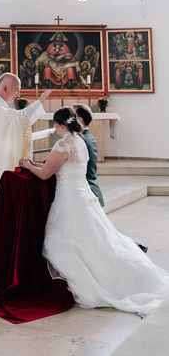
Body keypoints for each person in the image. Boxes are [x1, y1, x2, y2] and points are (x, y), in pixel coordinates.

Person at [19, 107, 169, 315]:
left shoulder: (63, 144)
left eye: (55, 125)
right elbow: (57, 166)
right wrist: (34, 164)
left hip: (69, 199)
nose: (55, 129)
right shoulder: (80, 141)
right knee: (96, 241)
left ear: (61, 125)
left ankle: (86, 282)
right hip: (84, 196)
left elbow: (45, 174)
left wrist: (28, 166)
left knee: (66, 242)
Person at [0, 73, 52, 249]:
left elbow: (12, 125)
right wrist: (39, 102)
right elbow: (19, 119)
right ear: (5, 88)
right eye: (16, 90)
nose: (18, 95)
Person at [73, 103, 104, 207]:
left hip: (85, 192)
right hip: (91, 188)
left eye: (72, 115)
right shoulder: (88, 137)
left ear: (80, 119)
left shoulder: (80, 139)